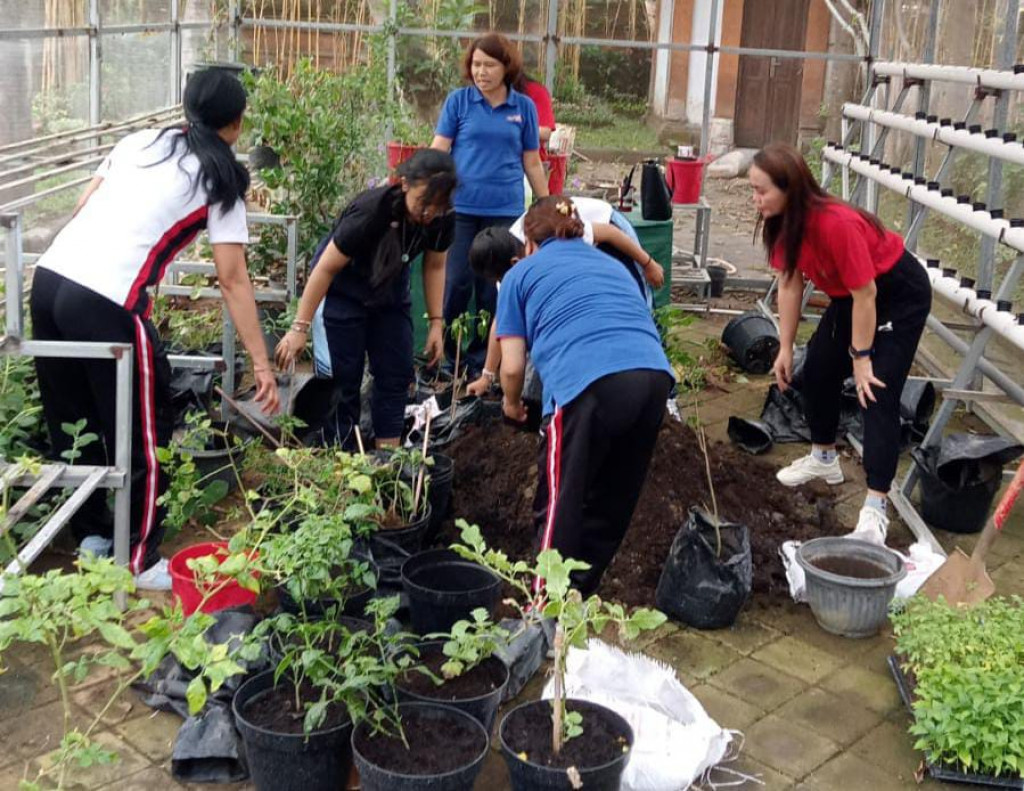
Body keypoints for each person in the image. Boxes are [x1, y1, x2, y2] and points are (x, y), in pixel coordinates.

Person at [31, 69, 280, 589]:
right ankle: (139, 560)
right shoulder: (224, 180)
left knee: (73, 419)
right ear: (237, 123)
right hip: (106, 299)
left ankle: (94, 538)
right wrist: (262, 363)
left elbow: (83, 207)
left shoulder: (140, 141)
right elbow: (233, 280)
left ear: (187, 106)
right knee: (144, 433)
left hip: (51, 280)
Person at [488, 198, 674, 594]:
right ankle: (580, 593)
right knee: (612, 498)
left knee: (561, 499)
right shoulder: (610, 264)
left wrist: (511, 403)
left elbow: (513, 367)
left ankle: (545, 605)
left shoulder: (521, 274)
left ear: (530, 244)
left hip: (588, 383)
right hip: (654, 377)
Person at [750, 142, 931, 545]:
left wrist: (862, 358)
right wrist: (785, 345)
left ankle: (876, 505)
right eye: (753, 189)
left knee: (875, 391)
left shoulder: (836, 224)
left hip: (896, 293)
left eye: (762, 190)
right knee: (815, 370)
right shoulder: (782, 222)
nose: (756, 199)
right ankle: (824, 457)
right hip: (854, 296)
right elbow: (790, 282)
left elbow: (867, 294)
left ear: (790, 188)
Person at [274, 149, 456, 448]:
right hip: (345, 292)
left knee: (395, 374)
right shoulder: (372, 211)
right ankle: (342, 457)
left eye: (437, 207)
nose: (428, 214)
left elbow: (435, 265)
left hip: (390, 295)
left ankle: (388, 454)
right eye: (424, 204)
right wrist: (299, 328)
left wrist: (436, 322)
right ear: (405, 184)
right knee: (344, 381)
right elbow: (325, 268)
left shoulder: (441, 219)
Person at [431, 32, 549, 376]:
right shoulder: (459, 102)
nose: (481, 72)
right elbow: (440, 147)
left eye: (489, 65)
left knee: (492, 291)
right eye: (476, 65)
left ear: (505, 67)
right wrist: (423, 186)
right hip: (461, 209)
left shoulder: (523, 107)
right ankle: (448, 359)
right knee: (457, 283)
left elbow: (533, 161)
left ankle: (483, 362)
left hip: (504, 210)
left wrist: (548, 204)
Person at [465, 195, 665, 397]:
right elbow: (502, 322)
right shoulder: (509, 265)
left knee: (639, 305)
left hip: (609, 229)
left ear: (517, 261)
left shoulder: (558, 234)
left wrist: (648, 264)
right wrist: (487, 375)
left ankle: (668, 397)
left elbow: (610, 233)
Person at [512, 72, 558, 191]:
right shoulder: (468, 98)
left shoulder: (534, 92)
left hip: (529, 167)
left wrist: (512, 127)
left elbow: (545, 133)